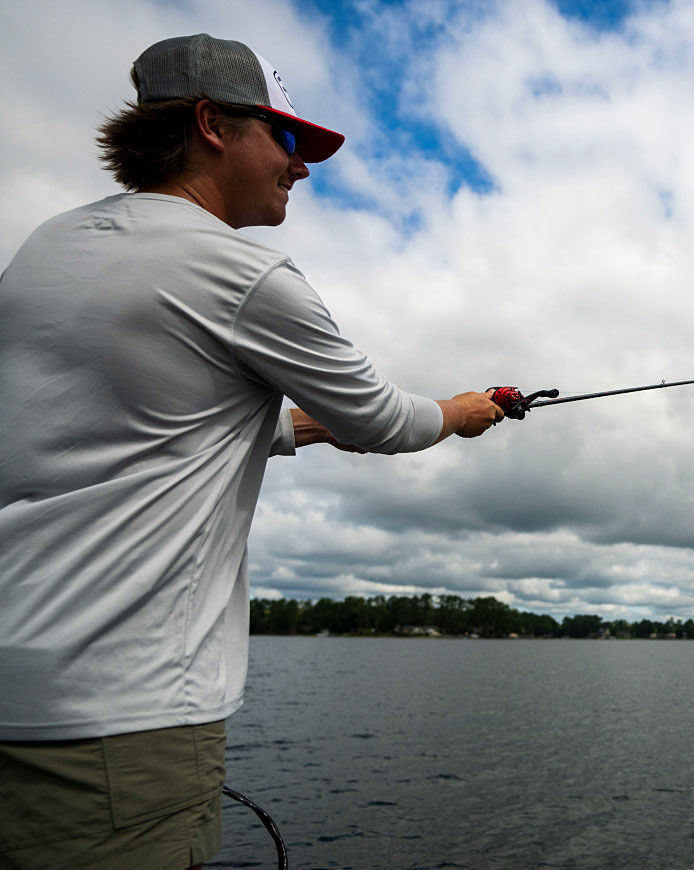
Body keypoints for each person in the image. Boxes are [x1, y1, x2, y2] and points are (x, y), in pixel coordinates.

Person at [0, 33, 503, 869]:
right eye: (288, 138)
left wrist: (308, 426)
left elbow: (161, 425)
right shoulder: (241, 273)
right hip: (122, 719)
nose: (302, 165)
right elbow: (387, 420)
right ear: (211, 124)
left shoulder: (46, 251)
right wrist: (463, 408)